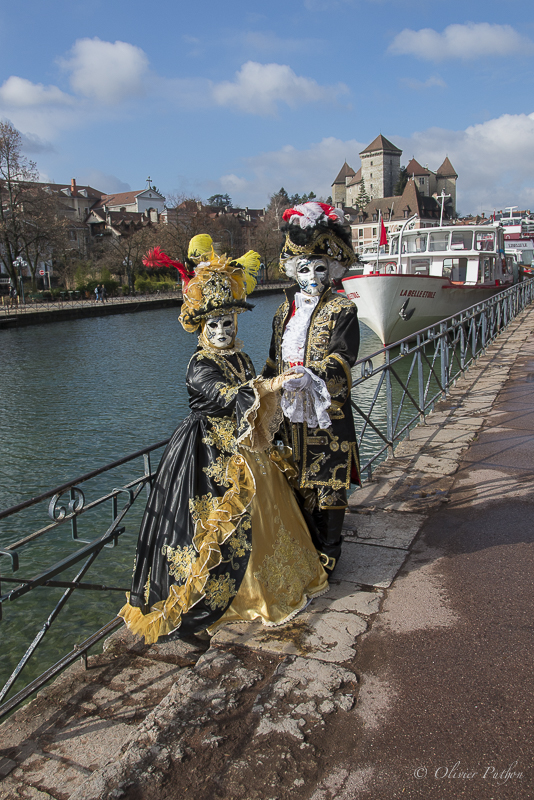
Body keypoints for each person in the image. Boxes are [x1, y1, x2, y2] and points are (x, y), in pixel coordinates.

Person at [119, 241, 328, 644]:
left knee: (269, 513)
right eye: (212, 326)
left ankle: (275, 584)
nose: (220, 332)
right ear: (200, 328)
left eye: (227, 323)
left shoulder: (242, 358)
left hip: (248, 446)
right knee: (216, 527)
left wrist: (276, 382)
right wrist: (272, 383)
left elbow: (248, 389)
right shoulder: (199, 365)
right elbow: (225, 395)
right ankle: (231, 595)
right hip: (208, 452)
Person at [262, 202, 361, 574]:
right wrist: (263, 395)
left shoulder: (343, 310)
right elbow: (273, 361)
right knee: (294, 478)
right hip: (288, 414)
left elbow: (342, 359)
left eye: (321, 268)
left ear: (332, 269)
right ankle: (303, 547)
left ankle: (330, 553)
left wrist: (313, 375)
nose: (312, 275)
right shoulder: (282, 313)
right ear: (293, 270)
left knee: (328, 482)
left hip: (326, 413)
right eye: (304, 268)